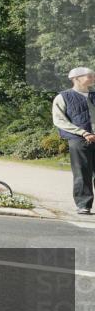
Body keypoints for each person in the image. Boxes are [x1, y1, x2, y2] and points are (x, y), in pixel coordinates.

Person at [52, 67, 95, 215]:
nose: (93, 78)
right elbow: (59, 120)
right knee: (82, 173)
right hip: (79, 140)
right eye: (89, 76)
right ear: (76, 79)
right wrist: (82, 132)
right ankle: (84, 205)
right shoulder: (63, 97)